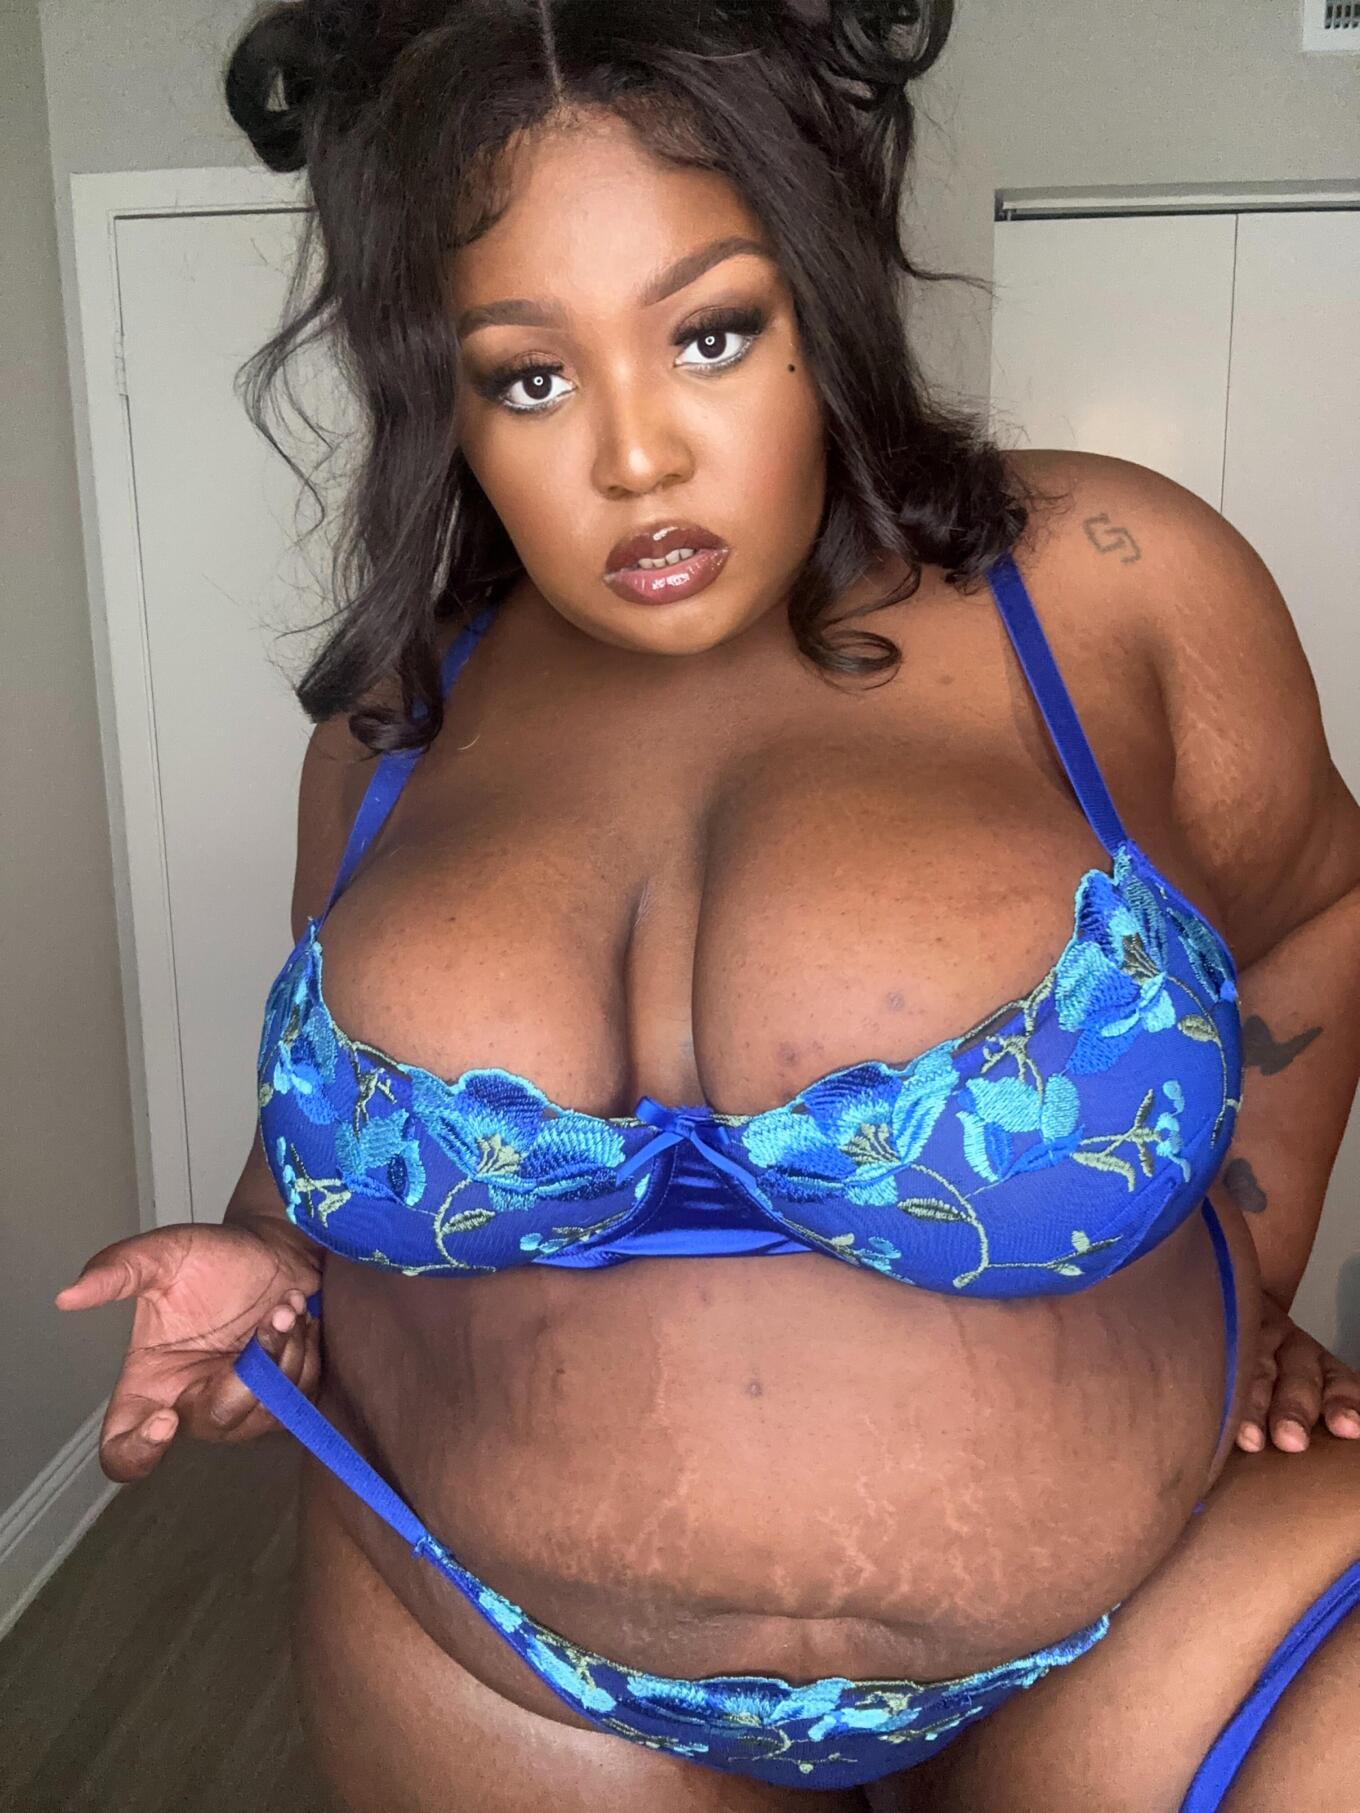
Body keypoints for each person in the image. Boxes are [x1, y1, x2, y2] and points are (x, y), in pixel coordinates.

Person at [57, 3, 1360, 1808]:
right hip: (501, 1666)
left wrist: (1254, 1281)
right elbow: (327, 1140)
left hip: (1168, 1618)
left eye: (711, 332)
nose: (636, 456)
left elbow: (1317, 907)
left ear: (821, 296)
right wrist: (259, 1253)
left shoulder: (1106, 582)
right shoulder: (392, 726)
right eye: (530, 376)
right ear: (446, 404)